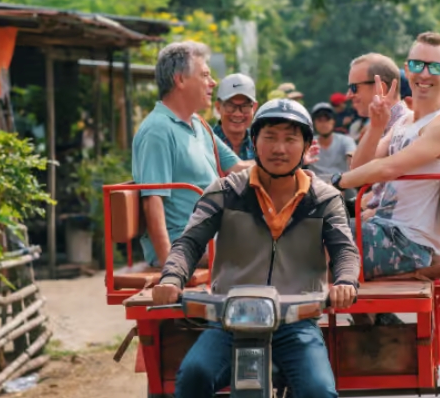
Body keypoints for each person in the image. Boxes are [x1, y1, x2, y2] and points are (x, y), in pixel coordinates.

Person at [152, 98, 361, 398]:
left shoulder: (324, 198)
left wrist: (344, 282)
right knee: (193, 376)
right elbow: (189, 242)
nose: (279, 149)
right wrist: (172, 278)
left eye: (290, 139)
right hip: (229, 320)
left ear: (305, 146)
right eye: (270, 137)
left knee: (319, 391)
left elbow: (344, 250)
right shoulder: (225, 191)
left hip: (297, 321)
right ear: (254, 142)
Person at [330, 32, 440, 324]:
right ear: (407, 70)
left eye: (436, 67)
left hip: (408, 244)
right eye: (418, 66)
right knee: (304, 229)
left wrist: (335, 182)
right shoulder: (405, 121)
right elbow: (364, 164)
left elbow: (388, 168)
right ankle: (375, 325)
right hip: (382, 231)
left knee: (307, 240)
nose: (425, 75)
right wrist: (377, 125)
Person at [132, 41, 255, 268]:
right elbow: (153, 201)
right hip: (187, 242)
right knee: (269, 243)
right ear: (180, 80)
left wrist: (288, 165)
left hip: (215, 231)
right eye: (205, 75)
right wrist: (172, 267)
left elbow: (238, 168)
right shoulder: (157, 131)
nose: (213, 82)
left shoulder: (198, 124)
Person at [347, 53, 410, 219]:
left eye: (354, 87)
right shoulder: (383, 124)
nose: (349, 95)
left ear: (379, 88)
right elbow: (358, 170)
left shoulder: (405, 125)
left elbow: (358, 174)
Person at [213, 73, 257, 160]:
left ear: (254, 107)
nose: (238, 114)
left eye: (245, 106)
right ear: (218, 107)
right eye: (230, 106)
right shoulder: (205, 143)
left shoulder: (260, 146)